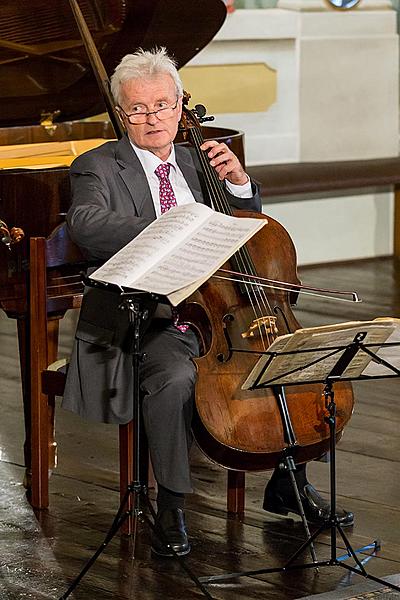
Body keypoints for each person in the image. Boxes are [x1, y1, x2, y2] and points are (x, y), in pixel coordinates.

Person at [63, 47, 353, 558]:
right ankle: (172, 502)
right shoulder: (97, 166)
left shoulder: (202, 158)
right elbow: (85, 225)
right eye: (138, 108)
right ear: (121, 113)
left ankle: (290, 481)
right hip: (150, 315)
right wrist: (168, 228)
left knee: (291, 359)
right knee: (173, 378)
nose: (152, 117)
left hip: (224, 309)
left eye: (162, 105)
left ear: (179, 104)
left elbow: (248, 228)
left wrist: (240, 186)